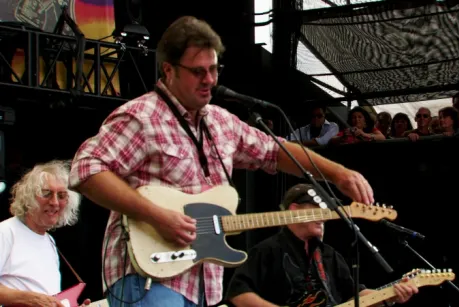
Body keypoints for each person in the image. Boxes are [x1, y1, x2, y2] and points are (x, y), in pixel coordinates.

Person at [69, 16, 374, 307]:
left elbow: (275, 151)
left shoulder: (220, 122)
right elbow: (86, 169)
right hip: (147, 277)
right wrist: (156, 216)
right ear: (169, 70)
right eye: (198, 71)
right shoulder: (141, 116)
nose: (210, 80)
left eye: (214, 69)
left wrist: (338, 174)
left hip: (205, 282)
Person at [226, 184, 418, 307]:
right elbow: (239, 294)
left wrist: (390, 295)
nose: (325, 217)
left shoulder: (329, 255)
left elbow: (355, 295)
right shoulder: (267, 251)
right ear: (294, 210)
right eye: (318, 209)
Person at [0, 160, 90, 307]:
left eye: (61, 195)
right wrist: (26, 298)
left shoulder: (50, 242)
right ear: (28, 197)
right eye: (46, 193)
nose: (54, 202)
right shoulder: (6, 232)